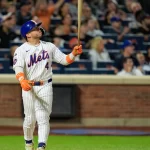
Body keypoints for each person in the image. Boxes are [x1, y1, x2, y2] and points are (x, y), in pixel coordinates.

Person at [13, 20, 82, 150]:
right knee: (30, 119)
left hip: (45, 85)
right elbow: (18, 67)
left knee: (43, 118)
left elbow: (64, 60)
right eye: (35, 28)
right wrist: (22, 80)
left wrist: (74, 54)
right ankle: (28, 143)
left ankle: (41, 146)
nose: (39, 29)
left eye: (38, 27)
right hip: (29, 86)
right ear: (27, 34)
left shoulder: (49, 46)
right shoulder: (21, 50)